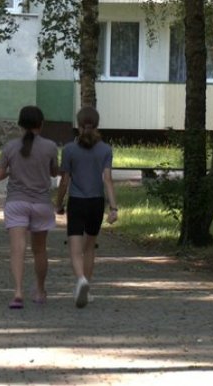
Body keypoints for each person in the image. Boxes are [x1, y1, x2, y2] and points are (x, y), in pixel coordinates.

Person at [0, 106, 59, 309]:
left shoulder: (10, 147)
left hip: (16, 202)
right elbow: (54, 172)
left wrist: (11, 171)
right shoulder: (50, 147)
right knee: (39, 250)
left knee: (17, 249)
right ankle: (40, 290)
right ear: (41, 123)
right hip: (41, 203)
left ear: (20, 124)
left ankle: (18, 292)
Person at [55, 106, 118, 309]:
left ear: (78, 124)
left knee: (75, 248)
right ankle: (87, 288)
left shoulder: (69, 149)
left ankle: (80, 279)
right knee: (90, 246)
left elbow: (65, 180)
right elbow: (107, 179)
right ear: (97, 125)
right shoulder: (106, 150)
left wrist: (58, 203)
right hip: (96, 202)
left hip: (77, 201)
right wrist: (113, 208)